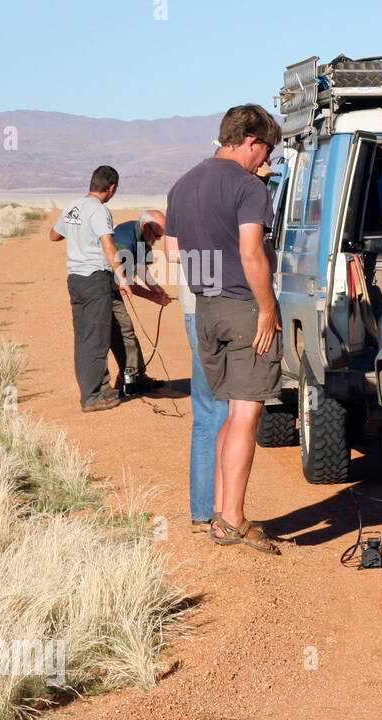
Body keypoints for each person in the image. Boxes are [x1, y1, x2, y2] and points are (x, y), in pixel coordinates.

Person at [165, 104, 282, 554]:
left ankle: (219, 514)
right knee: (247, 413)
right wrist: (266, 308)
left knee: (226, 413)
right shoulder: (247, 187)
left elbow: (175, 253)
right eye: (266, 150)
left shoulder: (184, 183)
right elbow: (253, 254)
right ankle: (232, 519)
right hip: (242, 308)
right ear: (252, 140)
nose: (265, 161)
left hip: (207, 310)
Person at [49, 165, 132, 412]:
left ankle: (100, 388)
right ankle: (92, 396)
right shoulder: (99, 210)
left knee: (84, 336)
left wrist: (76, 233)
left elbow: (54, 235)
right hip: (95, 279)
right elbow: (108, 245)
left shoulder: (74, 206)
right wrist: (122, 277)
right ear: (112, 188)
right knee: (96, 338)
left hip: (75, 279)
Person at [110, 209, 171, 396]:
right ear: (146, 227)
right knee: (124, 331)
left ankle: (137, 376)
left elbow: (142, 269)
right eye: (158, 235)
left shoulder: (142, 235)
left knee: (124, 331)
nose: (159, 239)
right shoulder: (125, 242)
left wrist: (159, 291)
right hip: (103, 288)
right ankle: (128, 381)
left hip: (114, 286)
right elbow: (126, 282)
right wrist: (154, 298)